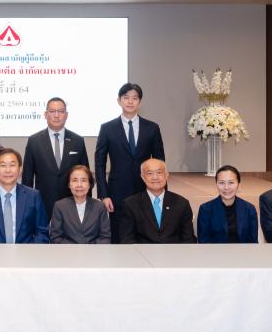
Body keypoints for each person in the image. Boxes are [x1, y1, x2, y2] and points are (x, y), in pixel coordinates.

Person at [94, 83, 165, 242]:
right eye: (126, 98)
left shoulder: (152, 128)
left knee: (146, 231)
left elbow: (160, 162)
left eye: (135, 98)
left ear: (140, 102)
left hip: (145, 189)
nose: (130, 101)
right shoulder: (107, 128)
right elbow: (99, 164)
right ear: (119, 101)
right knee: (118, 234)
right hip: (117, 191)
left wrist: (162, 192)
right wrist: (104, 195)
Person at [22, 97, 90, 219]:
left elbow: (86, 175)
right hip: (42, 204)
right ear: (45, 114)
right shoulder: (34, 141)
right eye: (52, 111)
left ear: (66, 115)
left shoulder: (77, 141)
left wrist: (88, 204)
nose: (57, 115)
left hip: (72, 204)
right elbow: (27, 177)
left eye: (61, 111)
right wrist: (27, 205)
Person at [118, 158, 195, 244]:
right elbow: (126, 239)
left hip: (174, 251)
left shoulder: (181, 203)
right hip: (142, 251)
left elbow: (188, 239)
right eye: (150, 173)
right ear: (143, 177)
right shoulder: (130, 204)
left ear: (166, 175)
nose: (155, 177)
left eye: (159, 172)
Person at [196, 165, 258, 243]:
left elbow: (253, 241)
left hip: (243, 251)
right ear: (216, 185)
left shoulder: (249, 209)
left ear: (238, 184)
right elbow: (204, 242)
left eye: (231, 182)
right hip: (214, 251)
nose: (226, 187)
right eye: (221, 183)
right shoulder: (206, 209)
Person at [49, 165, 111, 244]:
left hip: (94, 251)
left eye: (83, 180)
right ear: (69, 184)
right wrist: (75, 249)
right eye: (74, 180)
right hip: (67, 251)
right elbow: (56, 238)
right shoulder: (60, 206)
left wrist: (89, 249)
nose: (79, 185)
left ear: (89, 184)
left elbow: (105, 237)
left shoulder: (100, 207)